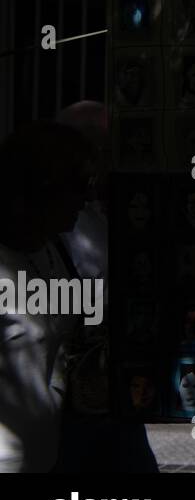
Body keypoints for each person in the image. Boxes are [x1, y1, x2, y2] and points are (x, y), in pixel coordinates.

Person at [0, 123, 100, 471]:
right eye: (78, 185)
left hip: (47, 457)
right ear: (38, 190)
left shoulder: (54, 249)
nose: (88, 198)